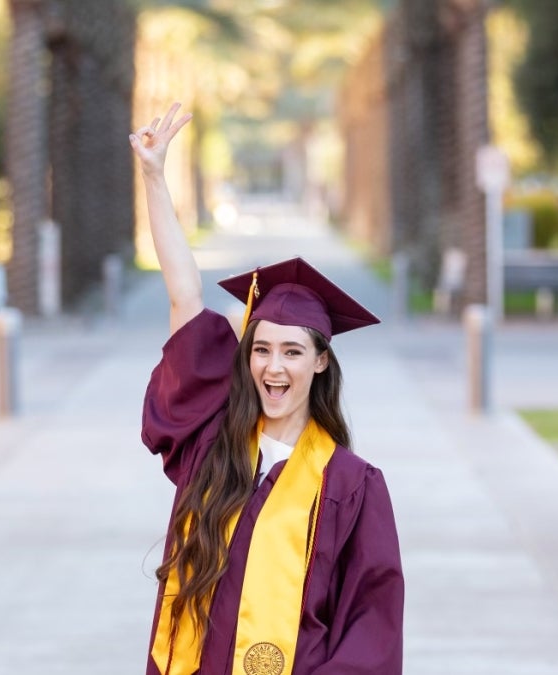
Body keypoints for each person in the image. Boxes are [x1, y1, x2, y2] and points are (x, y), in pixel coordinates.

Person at [131, 103, 404, 675]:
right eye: (261, 348)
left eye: (292, 352)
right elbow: (185, 295)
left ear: (322, 362)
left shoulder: (352, 488)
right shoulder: (212, 444)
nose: (273, 367)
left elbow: (371, 630)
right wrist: (154, 177)